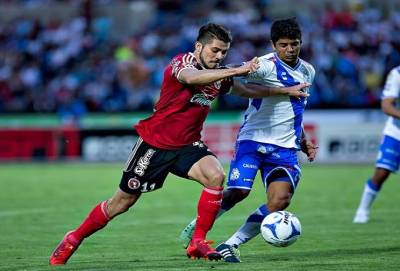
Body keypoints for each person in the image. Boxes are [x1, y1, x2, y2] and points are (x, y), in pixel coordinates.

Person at [49, 23, 309, 265]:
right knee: (121, 203)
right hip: (155, 145)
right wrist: (238, 69)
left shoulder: (219, 74)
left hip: (188, 145)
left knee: (216, 176)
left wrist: (283, 91)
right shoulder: (182, 62)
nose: (219, 56)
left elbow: (245, 91)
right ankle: (74, 238)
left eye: (223, 52)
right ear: (199, 47)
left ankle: (198, 242)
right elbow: (190, 78)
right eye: (215, 50)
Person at [179, 18, 317, 263]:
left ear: (300, 43)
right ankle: (197, 226)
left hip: (285, 148)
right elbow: (230, 69)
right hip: (253, 140)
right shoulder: (264, 66)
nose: (289, 49)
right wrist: (205, 70)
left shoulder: (308, 70)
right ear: (273, 45)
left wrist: (303, 139)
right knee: (238, 192)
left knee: (280, 201)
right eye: (283, 45)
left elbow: (296, 109)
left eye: (294, 44)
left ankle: (230, 245)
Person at [353, 65, 400, 223]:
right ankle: (362, 210)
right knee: (381, 173)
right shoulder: (397, 73)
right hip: (396, 133)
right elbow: (386, 105)